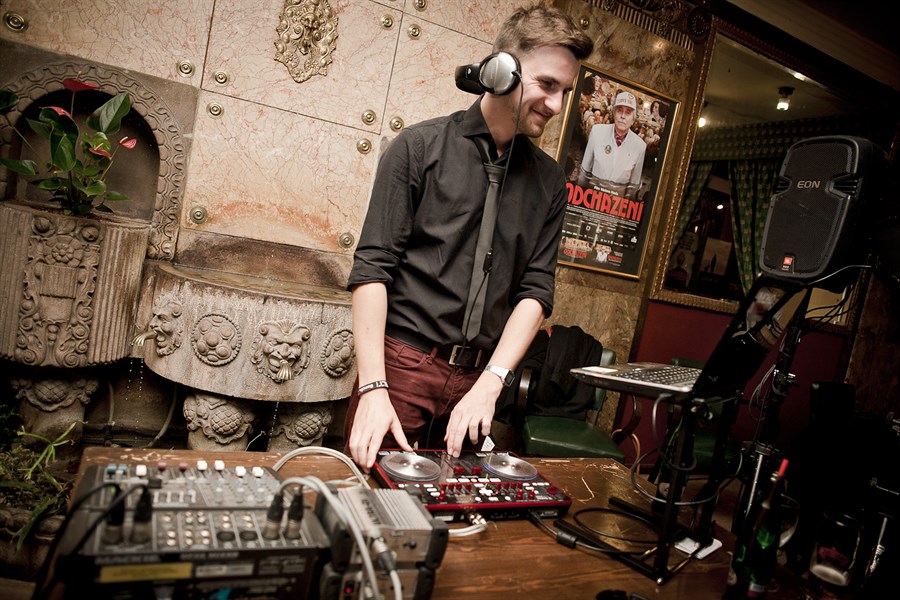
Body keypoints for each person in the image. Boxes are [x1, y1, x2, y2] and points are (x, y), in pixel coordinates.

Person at [343, 2, 594, 469]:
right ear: (501, 71)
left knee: (458, 510)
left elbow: (536, 292)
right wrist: (374, 387)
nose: (557, 106)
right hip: (401, 368)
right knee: (373, 500)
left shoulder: (550, 182)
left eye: (565, 91)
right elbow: (372, 271)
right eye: (547, 84)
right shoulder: (418, 148)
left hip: (480, 383)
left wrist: (492, 382)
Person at [578, 90, 646, 198]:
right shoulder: (597, 131)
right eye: (619, 111)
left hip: (616, 203)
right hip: (591, 198)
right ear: (613, 113)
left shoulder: (640, 146)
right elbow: (584, 172)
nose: (622, 116)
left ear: (633, 119)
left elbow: (633, 187)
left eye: (628, 112)